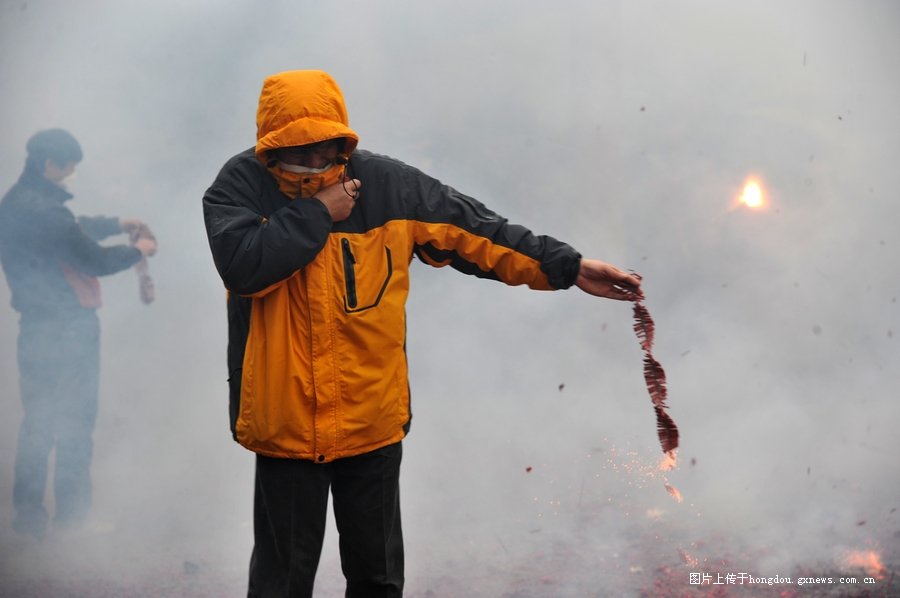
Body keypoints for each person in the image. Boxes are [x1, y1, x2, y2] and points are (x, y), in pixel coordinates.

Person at [203, 70, 642, 598]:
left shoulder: (389, 185)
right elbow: (245, 268)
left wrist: (569, 267)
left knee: (378, 580)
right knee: (281, 585)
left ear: (342, 139)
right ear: (271, 148)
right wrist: (319, 211)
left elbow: (480, 232)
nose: (316, 161)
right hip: (284, 424)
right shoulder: (238, 187)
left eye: (326, 147)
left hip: (371, 421)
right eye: (300, 150)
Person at [0, 128, 157, 538]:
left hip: (34, 328)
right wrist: (138, 251)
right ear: (49, 165)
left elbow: (73, 229)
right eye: (69, 166)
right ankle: (72, 519)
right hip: (69, 328)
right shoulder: (48, 214)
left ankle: (29, 518)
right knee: (74, 419)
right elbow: (92, 259)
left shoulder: (15, 204)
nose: (72, 174)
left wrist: (115, 223)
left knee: (37, 421)